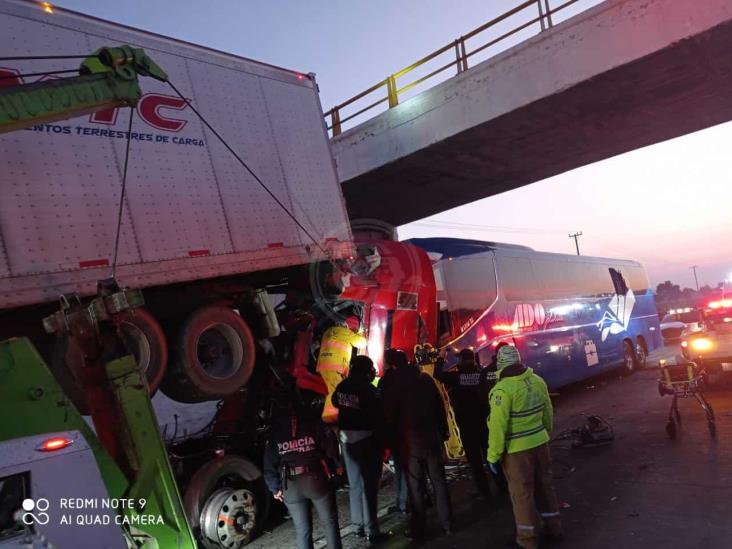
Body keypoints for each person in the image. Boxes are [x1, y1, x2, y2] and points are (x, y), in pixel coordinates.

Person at [487, 345, 563, 549]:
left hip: (516, 451)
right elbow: (548, 411)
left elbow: (498, 427)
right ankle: (554, 527)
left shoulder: (502, 390)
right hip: (540, 443)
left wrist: (493, 455)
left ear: (500, 364)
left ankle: (527, 540)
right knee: (545, 487)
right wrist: (545, 432)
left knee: (522, 495)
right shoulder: (538, 381)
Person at [385, 356, 453, 542]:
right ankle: (447, 524)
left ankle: (419, 530)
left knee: (415, 486)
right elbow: (440, 407)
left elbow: (390, 415)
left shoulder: (396, 384)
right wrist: (444, 431)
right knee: (439, 481)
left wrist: (392, 441)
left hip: (409, 442)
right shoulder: (426, 380)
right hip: (431, 437)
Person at [263, 392, 343, 549]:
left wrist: (275, 488)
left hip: (290, 485)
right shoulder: (314, 422)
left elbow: (269, 464)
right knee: (329, 523)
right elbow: (331, 448)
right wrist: (336, 468)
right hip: (315, 479)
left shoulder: (275, 433)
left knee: (302, 531)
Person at [333, 355, 384, 542]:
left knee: (354, 485)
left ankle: (357, 526)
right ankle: (372, 530)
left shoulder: (342, 387)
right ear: (366, 370)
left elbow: (334, 402)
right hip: (366, 440)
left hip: (347, 441)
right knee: (369, 486)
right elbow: (378, 416)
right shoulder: (369, 390)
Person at [437, 348, 495, 500]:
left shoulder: (456, 377)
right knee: (491, 457)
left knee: (475, 462)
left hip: (466, 425)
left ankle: (485, 493)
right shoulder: (481, 374)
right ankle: (502, 485)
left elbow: (438, 374)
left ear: (462, 361)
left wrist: (441, 358)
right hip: (484, 422)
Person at [316, 316, 367, 423]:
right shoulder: (343, 332)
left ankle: (332, 420)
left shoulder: (329, 331)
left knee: (332, 391)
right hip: (334, 366)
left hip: (324, 366)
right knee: (336, 393)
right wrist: (361, 333)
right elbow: (362, 343)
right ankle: (331, 421)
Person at [378, 349, 408, 515]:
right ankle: (413, 499)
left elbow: (384, 409)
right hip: (411, 429)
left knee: (401, 469)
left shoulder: (386, 381)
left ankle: (403, 503)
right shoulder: (416, 377)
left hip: (397, 431)